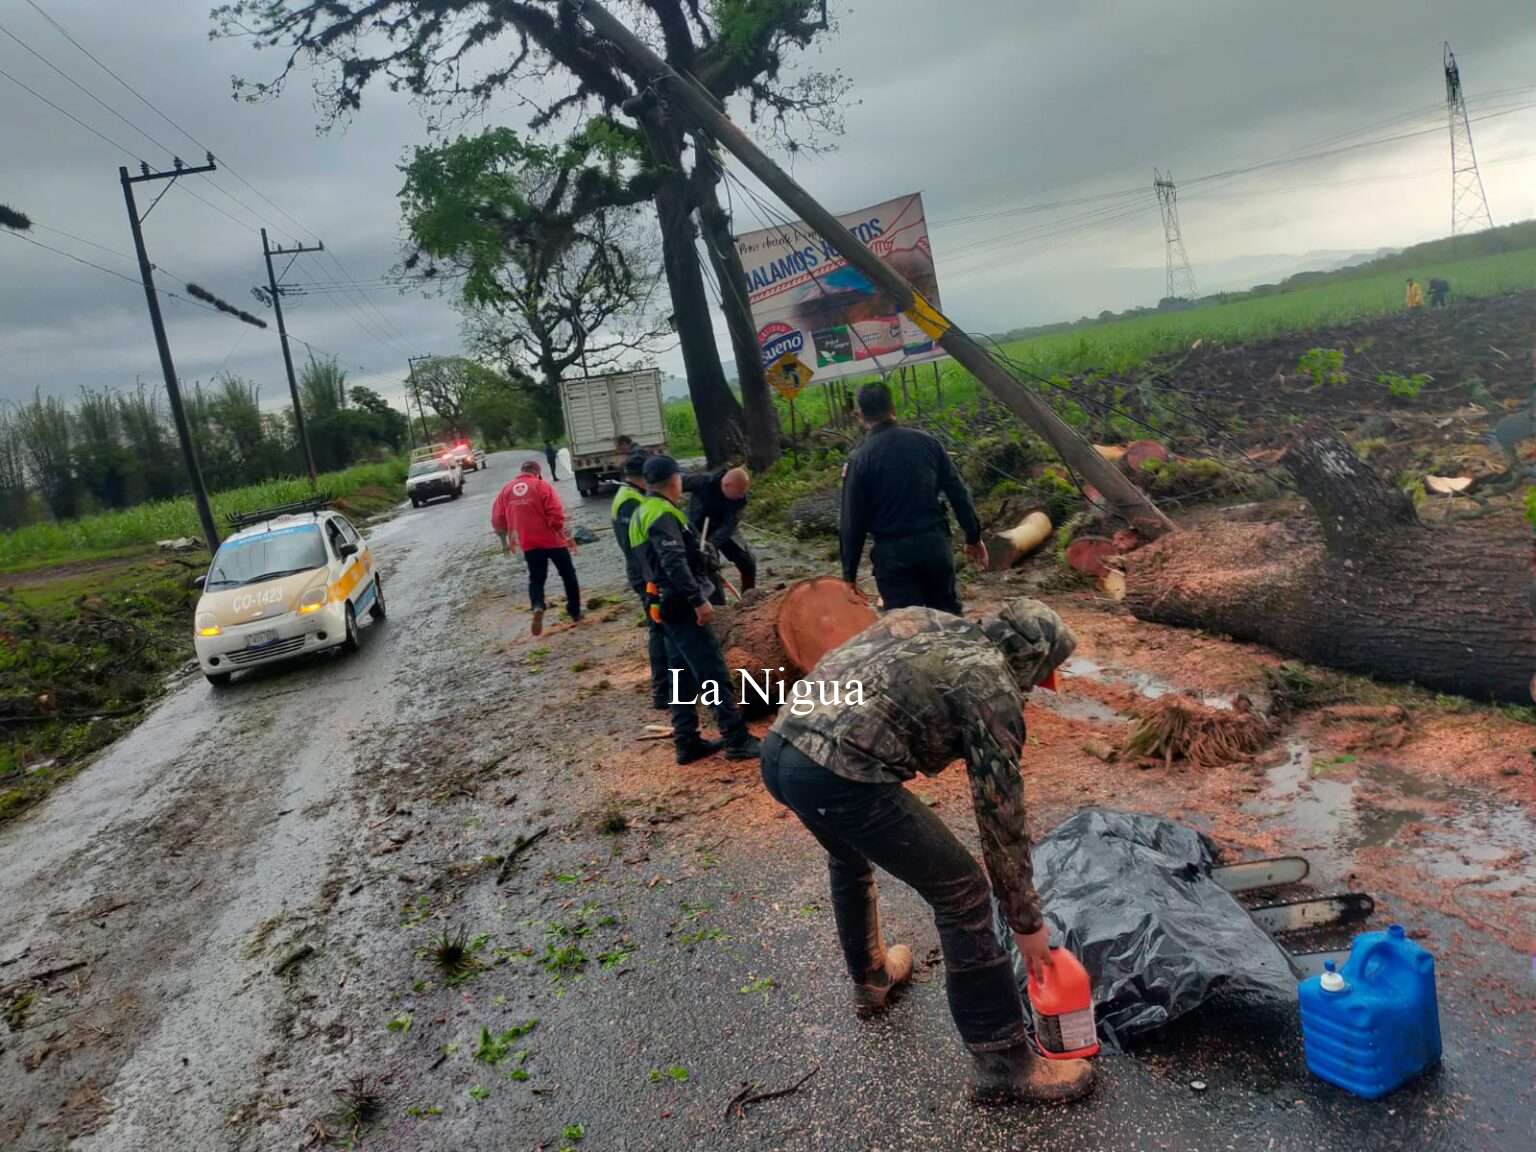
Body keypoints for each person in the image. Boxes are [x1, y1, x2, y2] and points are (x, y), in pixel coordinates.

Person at [760, 598, 1094, 1106]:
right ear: (1031, 658)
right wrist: (1026, 923)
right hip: (836, 776)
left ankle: (872, 976)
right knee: (963, 894)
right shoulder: (992, 687)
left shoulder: (932, 621)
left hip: (782, 749)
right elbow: (1000, 814)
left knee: (847, 855)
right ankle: (1003, 1064)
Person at [629, 454, 761, 764]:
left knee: (680, 674)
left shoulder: (641, 512)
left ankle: (686, 741)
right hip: (681, 603)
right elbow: (673, 562)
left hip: (660, 601)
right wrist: (698, 599)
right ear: (674, 480)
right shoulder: (662, 513)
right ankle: (736, 738)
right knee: (712, 671)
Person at [840, 381, 986, 613]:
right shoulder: (928, 443)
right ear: (893, 409)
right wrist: (973, 537)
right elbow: (958, 492)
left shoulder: (859, 460)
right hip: (934, 548)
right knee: (949, 619)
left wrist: (849, 574)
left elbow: (852, 521)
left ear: (860, 416)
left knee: (907, 631)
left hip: (893, 557)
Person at [492, 460, 581, 636]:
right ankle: (575, 611)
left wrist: (505, 540)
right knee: (568, 575)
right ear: (537, 472)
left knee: (536, 579)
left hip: (528, 543)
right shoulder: (542, 486)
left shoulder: (506, 490)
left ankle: (538, 606)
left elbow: (497, 518)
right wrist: (563, 534)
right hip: (552, 540)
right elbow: (555, 513)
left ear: (522, 471)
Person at [612, 452, 668, 710]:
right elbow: (641, 547)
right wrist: (654, 580)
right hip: (647, 576)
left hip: (645, 573)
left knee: (661, 628)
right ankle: (662, 690)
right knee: (659, 629)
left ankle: (667, 687)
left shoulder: (630, 496)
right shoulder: (629, 502)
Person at [684, 464, 756, 600]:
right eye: (738, 494)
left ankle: (749, 597)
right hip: (697, 528)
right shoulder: (703, 481)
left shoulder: (741, 498)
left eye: (743, 493)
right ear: (726, 485)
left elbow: (729, 525)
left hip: (723, 529)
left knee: (747, 561)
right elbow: (674, 485)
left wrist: (711, 545)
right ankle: (718, 603)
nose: (741, 496)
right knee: (708, 566)